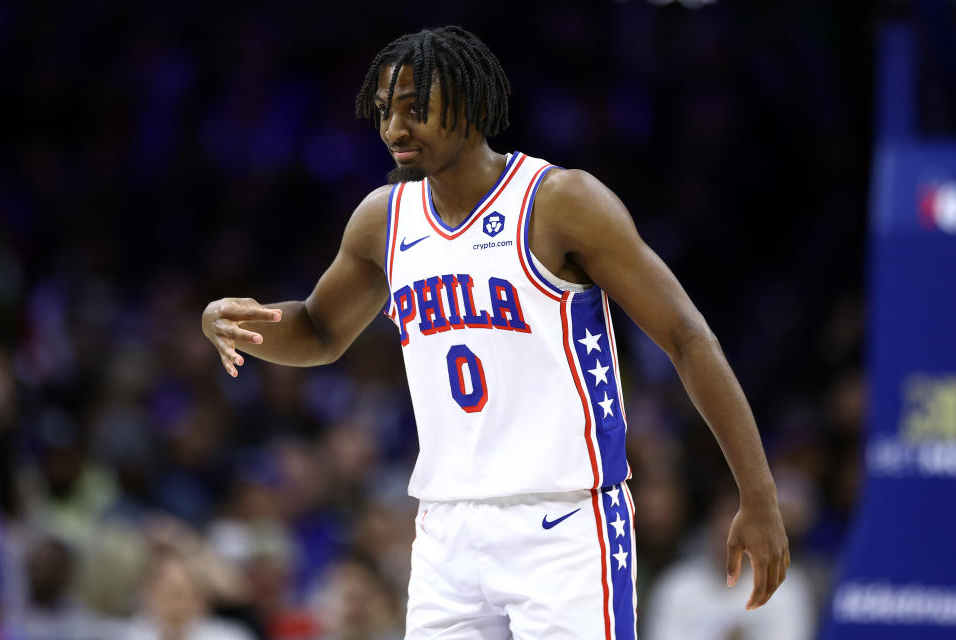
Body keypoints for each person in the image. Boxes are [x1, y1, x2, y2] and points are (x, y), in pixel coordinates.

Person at [201, 26, 789, 639]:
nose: (394, 130)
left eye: (414, 109)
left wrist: (758, 494)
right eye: (384, 111)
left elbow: (688, 337)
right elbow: (320, 331)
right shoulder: (383, 218)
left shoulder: (560, 201)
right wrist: (245, 325)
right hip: (445, 529)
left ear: (474, 110)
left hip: (563, 523)